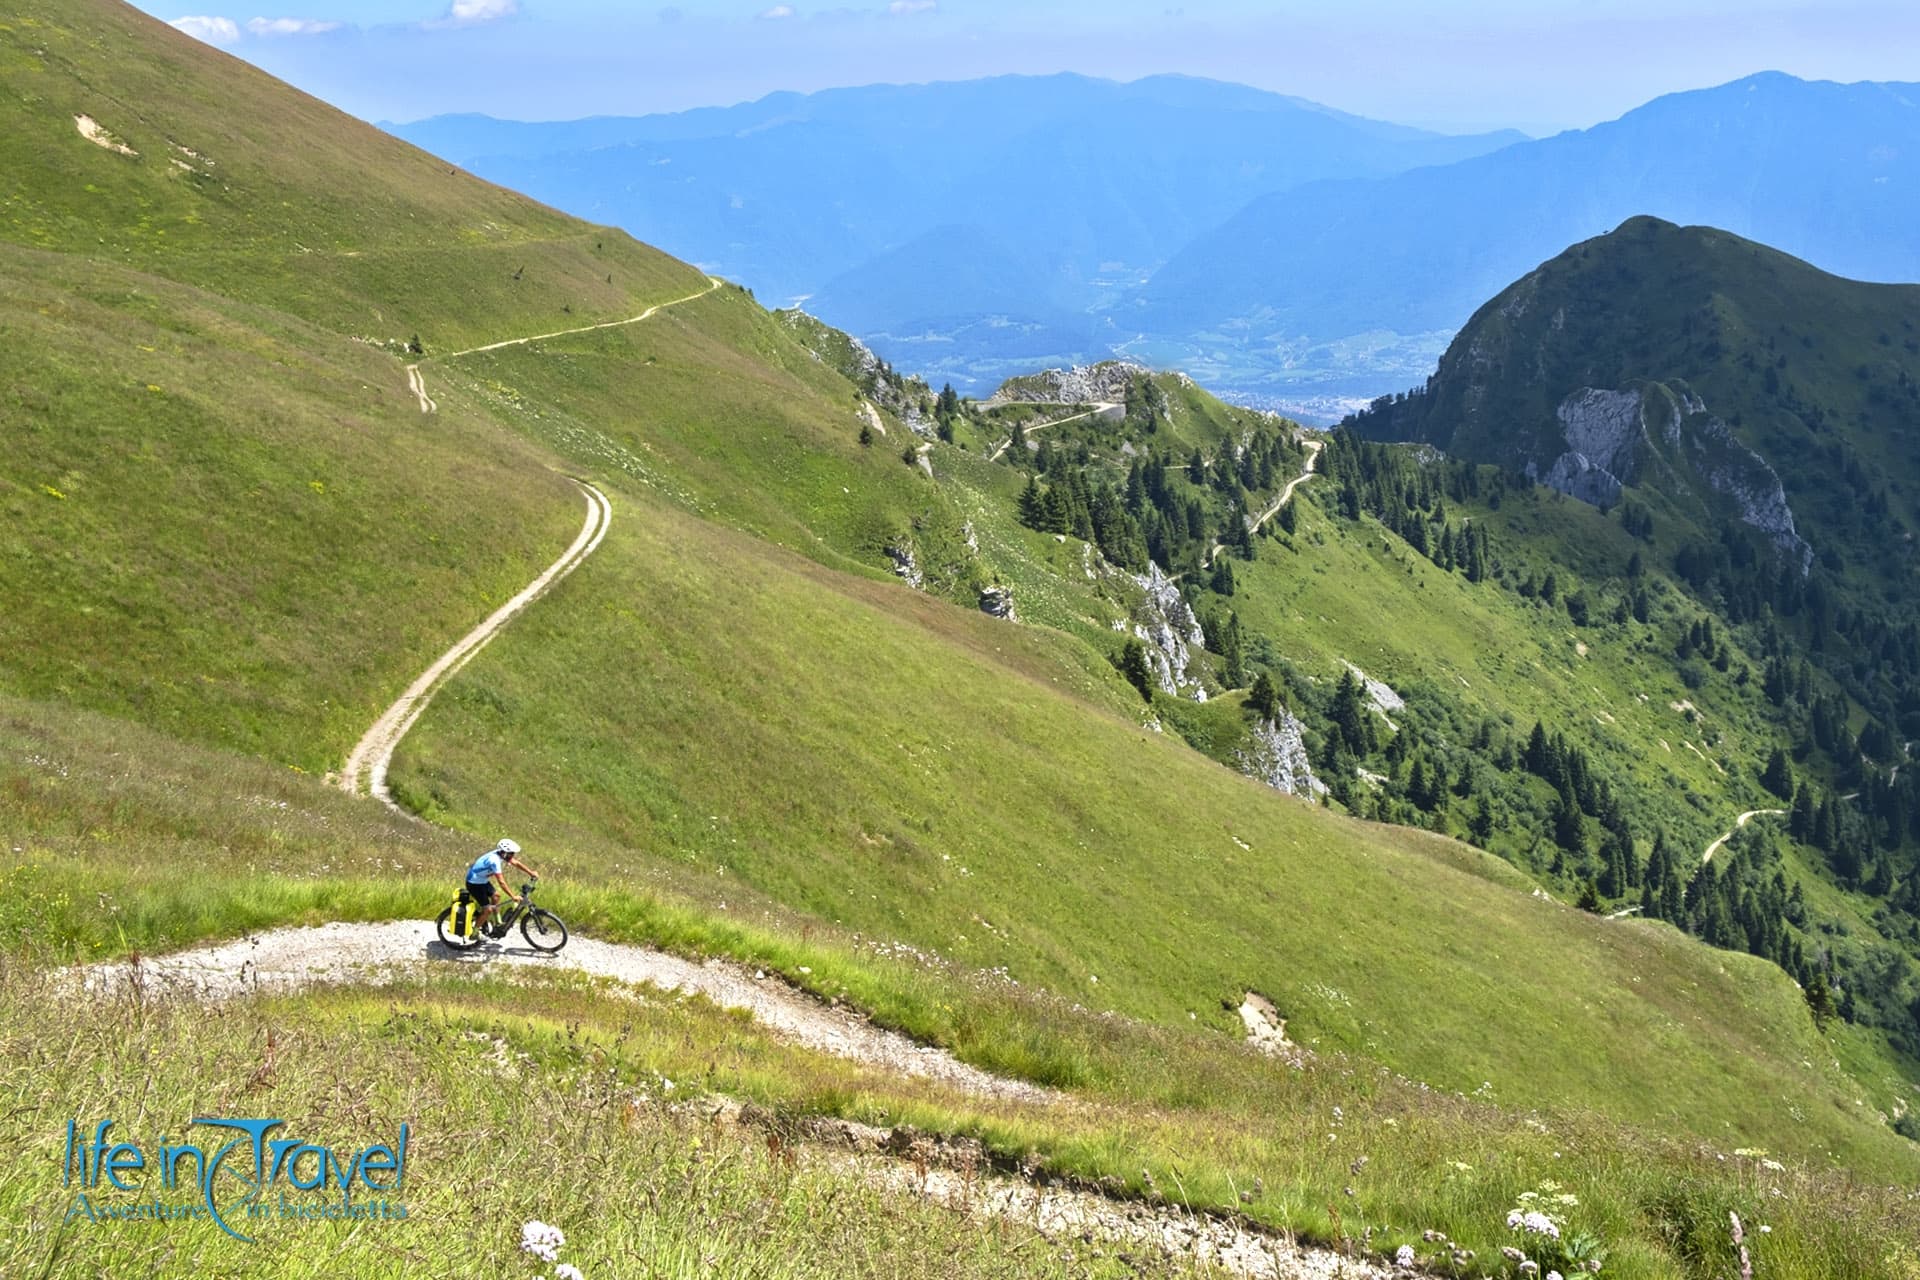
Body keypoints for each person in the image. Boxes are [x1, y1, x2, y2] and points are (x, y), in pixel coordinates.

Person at [465, 838, 537, 937]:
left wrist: (530, 872)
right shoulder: (494, 860)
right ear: (504, 852)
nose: (512, 855)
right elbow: (501, 882)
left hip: (482, 881)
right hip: (474, 884)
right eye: (511, 853)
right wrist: (513, 896)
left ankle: (498, 921)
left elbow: (515, 863)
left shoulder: (501, 854)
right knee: (487, 910)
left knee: (496, 896)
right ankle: (474, 933)